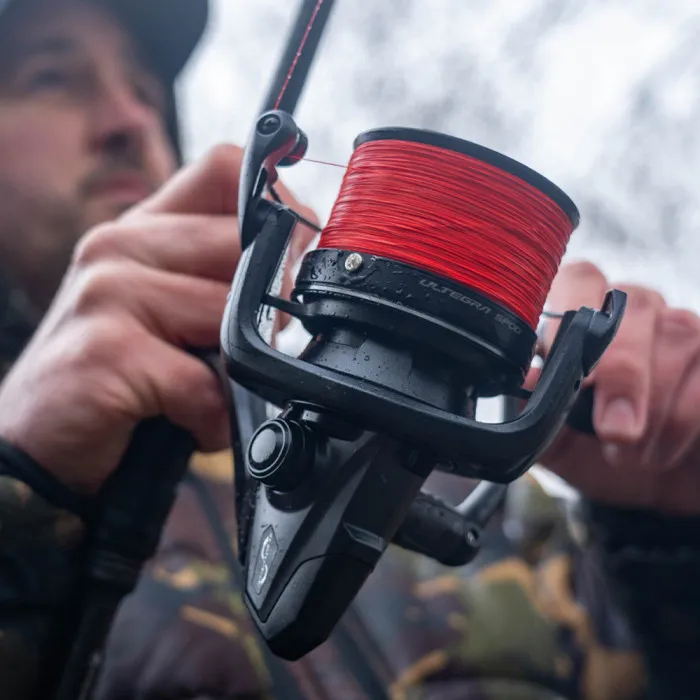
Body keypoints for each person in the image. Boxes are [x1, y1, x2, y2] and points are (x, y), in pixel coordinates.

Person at [0, 1, 698, 699]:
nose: (131, 119)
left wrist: (669, 532)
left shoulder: (500, 512)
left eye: (148, 92)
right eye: (50, 77)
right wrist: (19, 489)